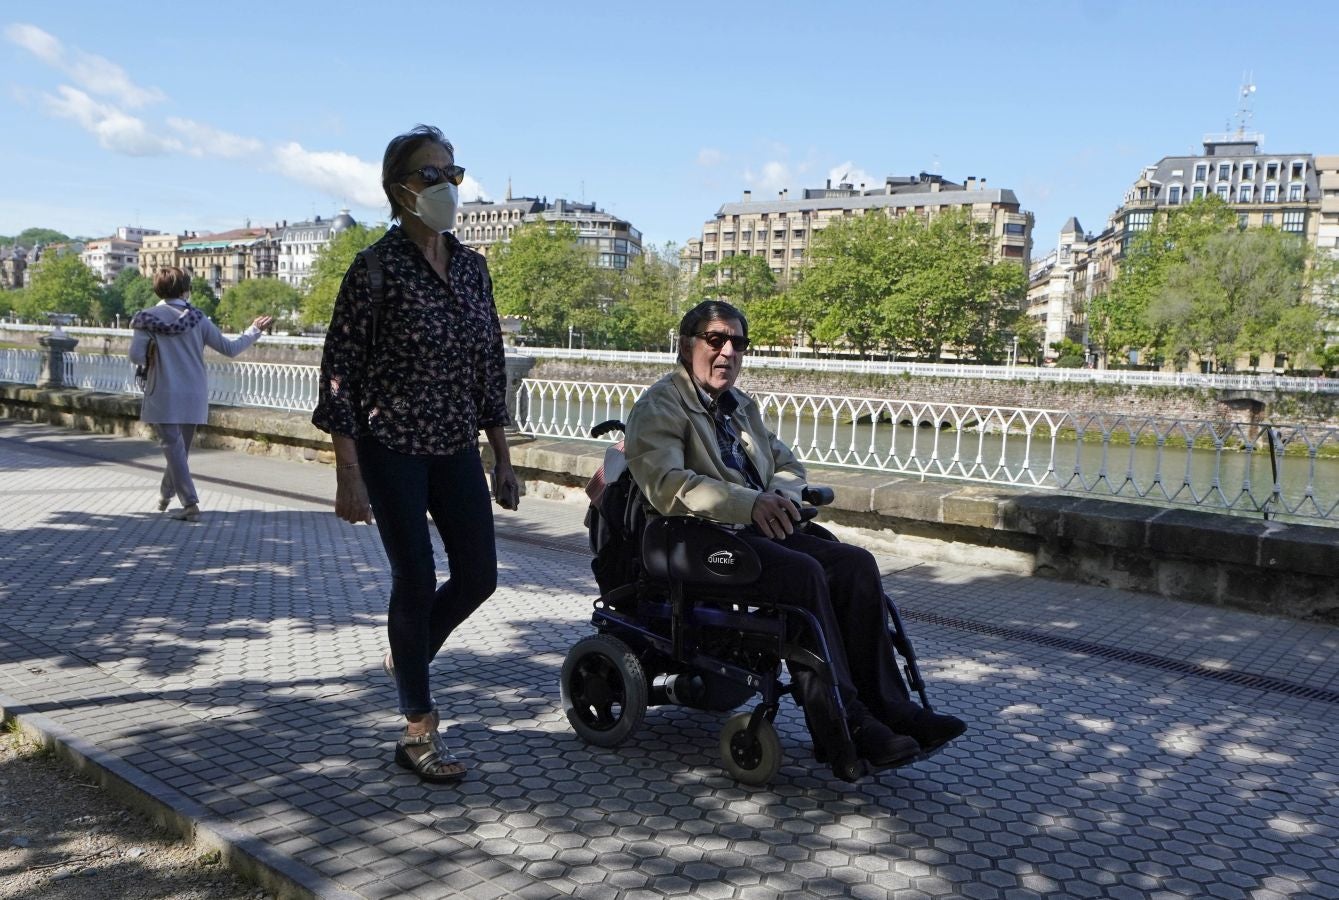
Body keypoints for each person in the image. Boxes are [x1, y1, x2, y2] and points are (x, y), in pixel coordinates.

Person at [624, 300, 966, 770]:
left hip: (753, 529)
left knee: (854, 564)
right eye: (716, 340)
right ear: (687, 346)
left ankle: (893, 706)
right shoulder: (660, 405)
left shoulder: (740, 407)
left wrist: (780, 496)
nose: (728, 352)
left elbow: (786, 464)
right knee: (802, 575)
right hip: (691, 540)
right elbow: (668, 487)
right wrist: (751, 503)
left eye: (738, 343)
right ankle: (844, 724)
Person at [311, 124, 520, 786]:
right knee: (416, 578)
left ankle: (410, 654)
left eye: (452, 174)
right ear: (399, 188)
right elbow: (338, 373)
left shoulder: (472, 269)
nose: (446, 186)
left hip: (454, 442)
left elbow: (489, 364)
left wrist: (501, 455)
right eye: (431, 174)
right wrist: (349, 476)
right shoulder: (373, 270)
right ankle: (417, 732)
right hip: (391, 446)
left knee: (480, 575)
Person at [128, 267, 272, 522]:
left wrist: (153, 350)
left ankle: (190, 503)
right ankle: (165, 495)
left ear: (157, 289)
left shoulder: (146, 318)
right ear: (186, 290)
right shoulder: (198, 319)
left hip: (162, 390)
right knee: (178, 450)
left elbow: (136, 357)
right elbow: (230, 348)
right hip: (194, 392)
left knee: (173, 447)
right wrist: (253, 330)